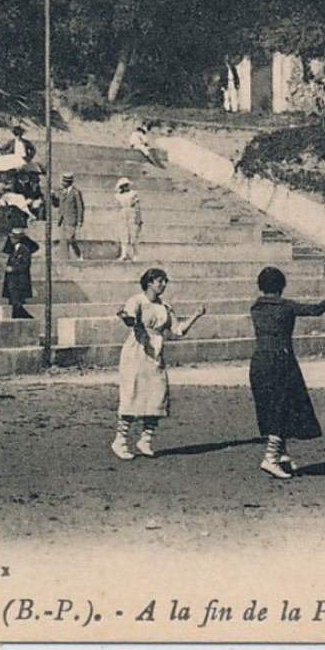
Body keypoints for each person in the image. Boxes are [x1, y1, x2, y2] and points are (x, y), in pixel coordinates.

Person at [248, 266, 325, 479]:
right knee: (283, 406)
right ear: (282, 286)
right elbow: (317, 309)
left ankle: (282, 454)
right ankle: (270, 458)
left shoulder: (255, 308)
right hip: (282, 361)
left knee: (271, 407)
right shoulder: (286, 307)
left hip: (259, 362)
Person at [111, 267, 206, 461]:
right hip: (136, 351)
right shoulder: (137, 301)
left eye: (164, 281)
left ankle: (145, 439)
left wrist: (196, 316)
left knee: (157, 394)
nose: (162, 285)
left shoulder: (165, 307)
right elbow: (129, 317)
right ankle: (120, 441)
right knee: (132, 393)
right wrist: (127, 318)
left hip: (155, 353)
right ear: (148, 283)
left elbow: (178, 330)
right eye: (158, 281)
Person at [1, 223, 39, 319]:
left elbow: (25, 265)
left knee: (17, 304)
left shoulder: (24, 249)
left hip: (19, 281)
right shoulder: (14, 249)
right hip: (13, 282)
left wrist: (12, 269)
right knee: (14, 304)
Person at [52, 173, 85, 261]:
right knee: (63, 240)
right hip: (62, 219)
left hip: (71, 219)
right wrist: (52, 197)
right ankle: (65, 258)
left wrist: (80, 220)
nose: (62, 183)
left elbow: (80, 207)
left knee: (70, 238)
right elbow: (56, 204)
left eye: (64, 182)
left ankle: (79, 254)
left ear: (69, 182)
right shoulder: (62, 192)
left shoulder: (76, 193)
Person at [114, 177, 142, 262]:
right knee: (123, 234)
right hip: (122, 214)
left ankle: (136, 254)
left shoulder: (133, 194)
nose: (125, 187)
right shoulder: (117, 196)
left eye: (126, 185)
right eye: (123, 186)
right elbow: (117, 207)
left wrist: (138, 218)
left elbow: (137, 206)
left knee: (133, 236)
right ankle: (124, 255)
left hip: (131, 213)